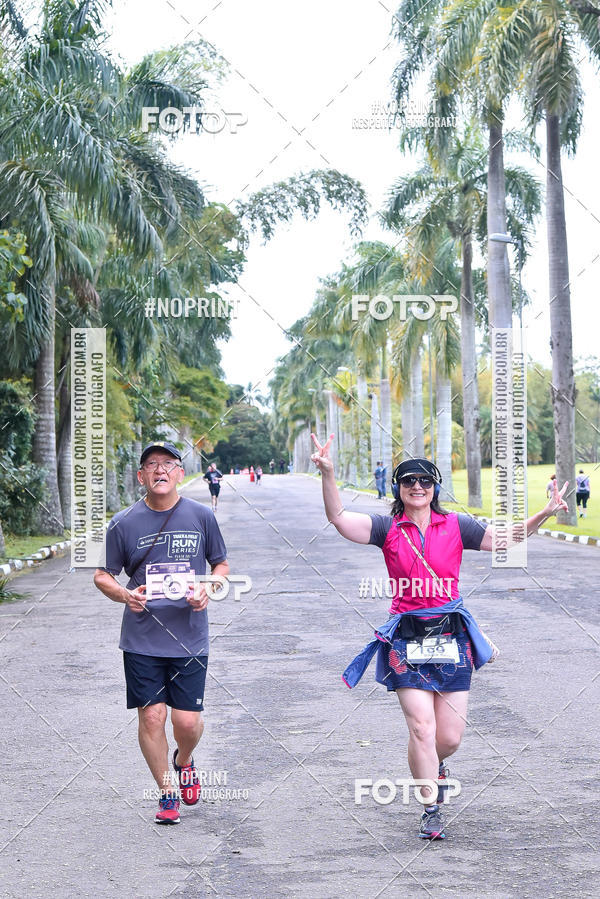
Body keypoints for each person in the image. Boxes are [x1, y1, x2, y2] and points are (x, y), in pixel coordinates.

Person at [310, 434, 568, 841]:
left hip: (451, 637)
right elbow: (340, 517)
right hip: (406, 638)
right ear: (398, 487)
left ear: (435, 488)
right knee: (421, 729)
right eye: (409, 481)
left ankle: (435, 766)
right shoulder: (386, 527)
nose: (417, 487)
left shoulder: (457, 526)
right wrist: (328, 473)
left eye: (425, 482)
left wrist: (545, 513)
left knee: (448, 737)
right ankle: (430, 807)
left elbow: (505, 539)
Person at [94, 442, 229, 825]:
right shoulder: (124, 523)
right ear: (141, 476)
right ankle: (167, 791)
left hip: (189, 636)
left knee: (186, 722)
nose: (160, 470)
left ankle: (183, 761)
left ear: (179, 474)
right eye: (151, 465)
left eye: (168, 464)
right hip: (141, 638)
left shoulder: (201, 516)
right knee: (152, 718)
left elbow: (220, 565)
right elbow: (102, 574)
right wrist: (124, 595)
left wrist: (208, 588)